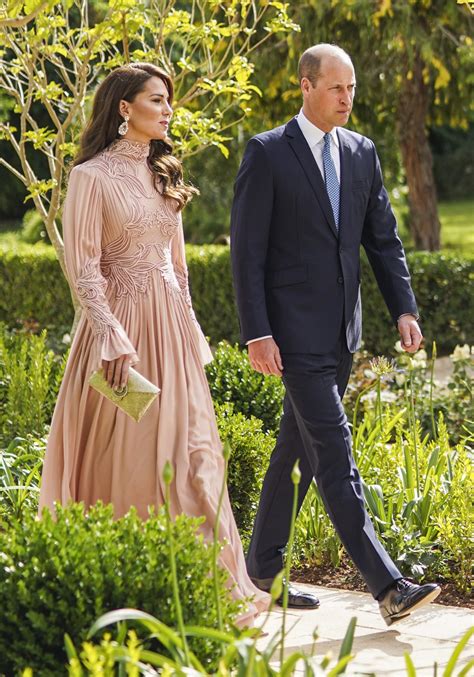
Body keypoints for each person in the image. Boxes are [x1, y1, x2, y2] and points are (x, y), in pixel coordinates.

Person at [38, 62, 270, 625]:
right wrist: (110, 335)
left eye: (168, 101)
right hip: (122, 337)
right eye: (157, 100)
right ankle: (131, 589)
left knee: (195, 457)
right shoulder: (90, 178)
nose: (168, 110)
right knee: (135, 460)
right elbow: (83, 267)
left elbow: (179, 267)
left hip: (171, 333)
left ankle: (204, 589)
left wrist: (191, 332)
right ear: (124, 109)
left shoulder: (165, 169)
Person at [230, 44, 440, 626]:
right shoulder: (268, 153)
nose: (347, 98)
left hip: (342, 331)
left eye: (352, 88)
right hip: (291, 337)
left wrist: (404, 309)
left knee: (294, 449)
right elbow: (246, 254)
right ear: (305, 86)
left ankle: (264, 569)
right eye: (336, 88)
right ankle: (388, 586)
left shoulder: (362, 152)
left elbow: (383, 240)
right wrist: (257, 333)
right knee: (333, 452)